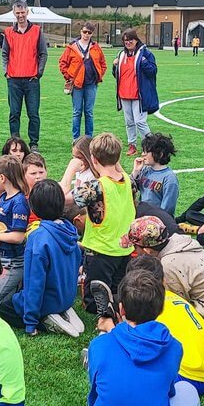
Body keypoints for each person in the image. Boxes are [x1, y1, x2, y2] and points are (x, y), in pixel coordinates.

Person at [120, 215, 204, 354]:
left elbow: (178, 305)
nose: (134, 250)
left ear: (147, 250)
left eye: (135, 247)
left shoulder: (169, 265)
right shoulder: (179, 242)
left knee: (163, 309)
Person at [87, 269, 202, 406]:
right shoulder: (174, 347)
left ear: (121, 309)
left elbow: (95, 394)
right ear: (161, 309)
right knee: (188, 389)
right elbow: (169, 392)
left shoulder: (99, 344)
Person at [0, 180, 84, 337]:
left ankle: (46, 319)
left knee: (1, 307)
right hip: (66, 296)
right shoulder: (70, 230)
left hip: (47, 301)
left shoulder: (38, 238)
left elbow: (34, 282)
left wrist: (31, 322)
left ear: (33, 208)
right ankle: (63, 310)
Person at [123, 254, 204, 395]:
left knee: (128, 366)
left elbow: (138, 349)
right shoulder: (174, 297)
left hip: (191, 378)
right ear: (164, 280)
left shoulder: (148, 309)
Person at [72, 133, 135, 319]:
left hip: (100, 250)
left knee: (95, 297)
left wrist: (70, 171)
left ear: (93, 158)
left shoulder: (96, 186)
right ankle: (118, 311)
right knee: (118, 290)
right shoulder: (127, 179)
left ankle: (106, 317)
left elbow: (72, 198)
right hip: (123, 248)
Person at [2, 0, 47, 153]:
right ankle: (15, 142)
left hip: (31, 80)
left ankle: (33, 143)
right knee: (14, 113)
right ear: (14, 13)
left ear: (27, 12)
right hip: (13, 80)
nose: (20, 15)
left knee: (33, 113)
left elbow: (43, 54)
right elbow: (4, 54)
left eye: (22, 12)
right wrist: (6, 72)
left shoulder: (36, 31)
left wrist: (38, 73)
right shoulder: (8, 32)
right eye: (17, 13)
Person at [0, 155, 30, 306]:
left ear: (2, 178)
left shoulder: (18, 202)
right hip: (0, 258)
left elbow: (18, 237)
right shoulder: (3, 197)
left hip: (12, 263)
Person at [112, 28, 158, 156]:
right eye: (125, 40)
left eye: (130, 40)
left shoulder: (146, 54)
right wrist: (115, 66)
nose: (128, 42)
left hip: (139, 94)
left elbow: (152, 71)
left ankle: (150, 146)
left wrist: (143, 62)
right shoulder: (121, 54)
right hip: (124, 94)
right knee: (129, 122)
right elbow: (117, 75)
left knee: (140, 122)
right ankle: (132, 145)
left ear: (136, 40)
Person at [59, 21, 107, 140]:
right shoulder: (72, 47)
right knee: (77, 112)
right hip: (77, 84)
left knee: (89, 112)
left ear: (92, 34)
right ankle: (76, 139)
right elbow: (62, 63)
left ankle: (88, 138)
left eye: (89, 33)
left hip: (91, 84)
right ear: (81, 32)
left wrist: (99, 75)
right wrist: (68, 77)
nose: (86, 34)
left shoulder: (96, 48)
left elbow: (103, 63)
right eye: (84, 32)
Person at [132, 132, 179, 216]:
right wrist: (135, 171)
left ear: (160, 154)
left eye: (147, 152)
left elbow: (167, 208)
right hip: (142, 216)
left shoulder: (169, 178)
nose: (143, 154)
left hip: (159, 221)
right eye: (143, 151)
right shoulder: (145, 170)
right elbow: (129, 189)